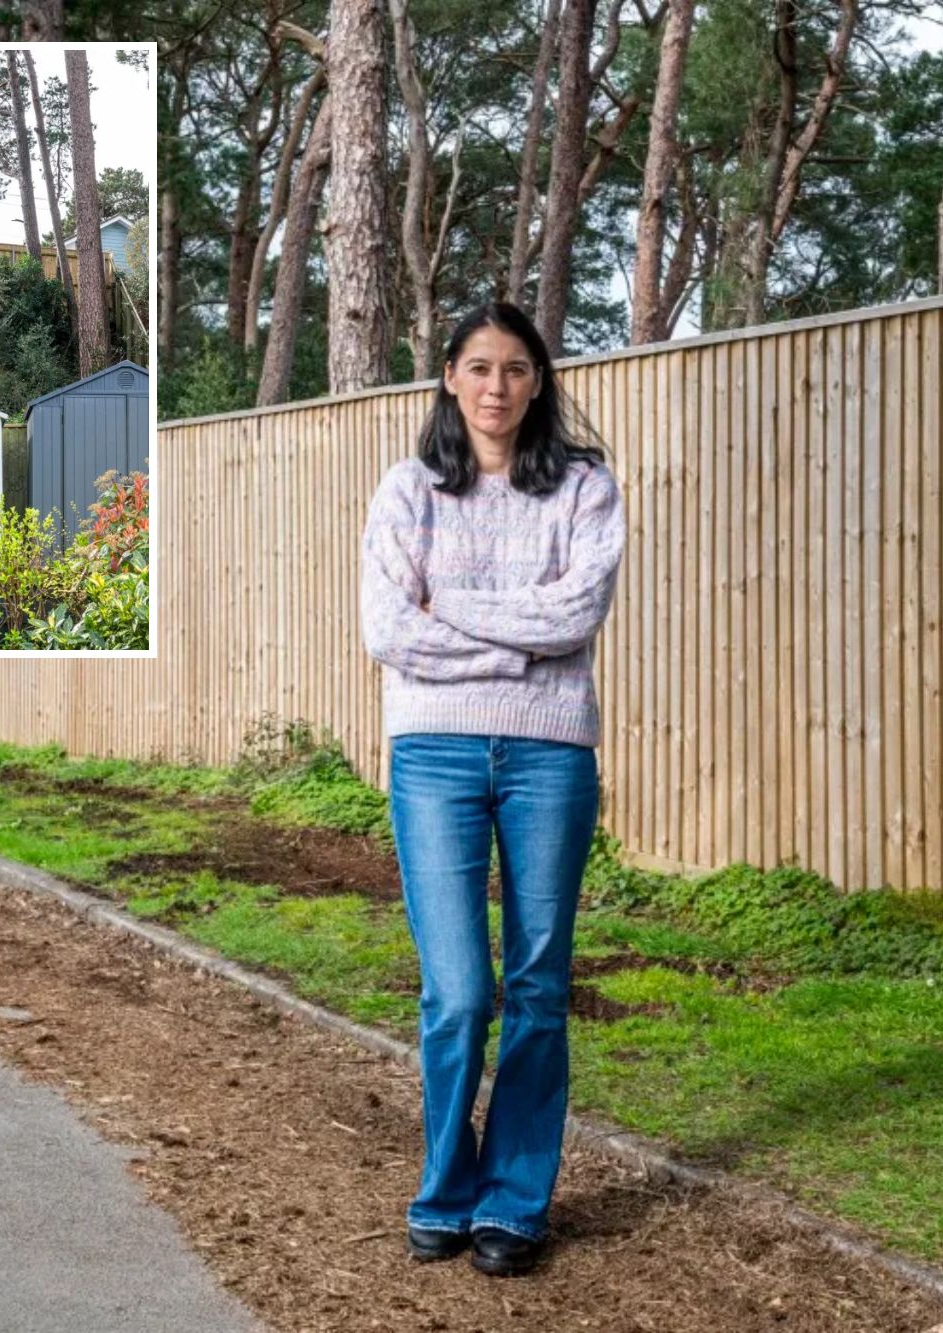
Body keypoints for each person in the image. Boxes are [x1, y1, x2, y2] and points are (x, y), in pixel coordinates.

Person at [359, 302, 625, 1278]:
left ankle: (512, 1204)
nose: (496, 386)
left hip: (550, 757)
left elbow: (577, 610)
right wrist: (520, 645)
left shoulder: (584, 489)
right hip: (431, 755)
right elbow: (387, 627)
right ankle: (443, 1189)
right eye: (478, 367)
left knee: (538, 987)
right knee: (459, 993)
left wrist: (457, 614)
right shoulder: (407, 490)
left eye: (516, 369)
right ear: (447, 377)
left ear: (538, 381)